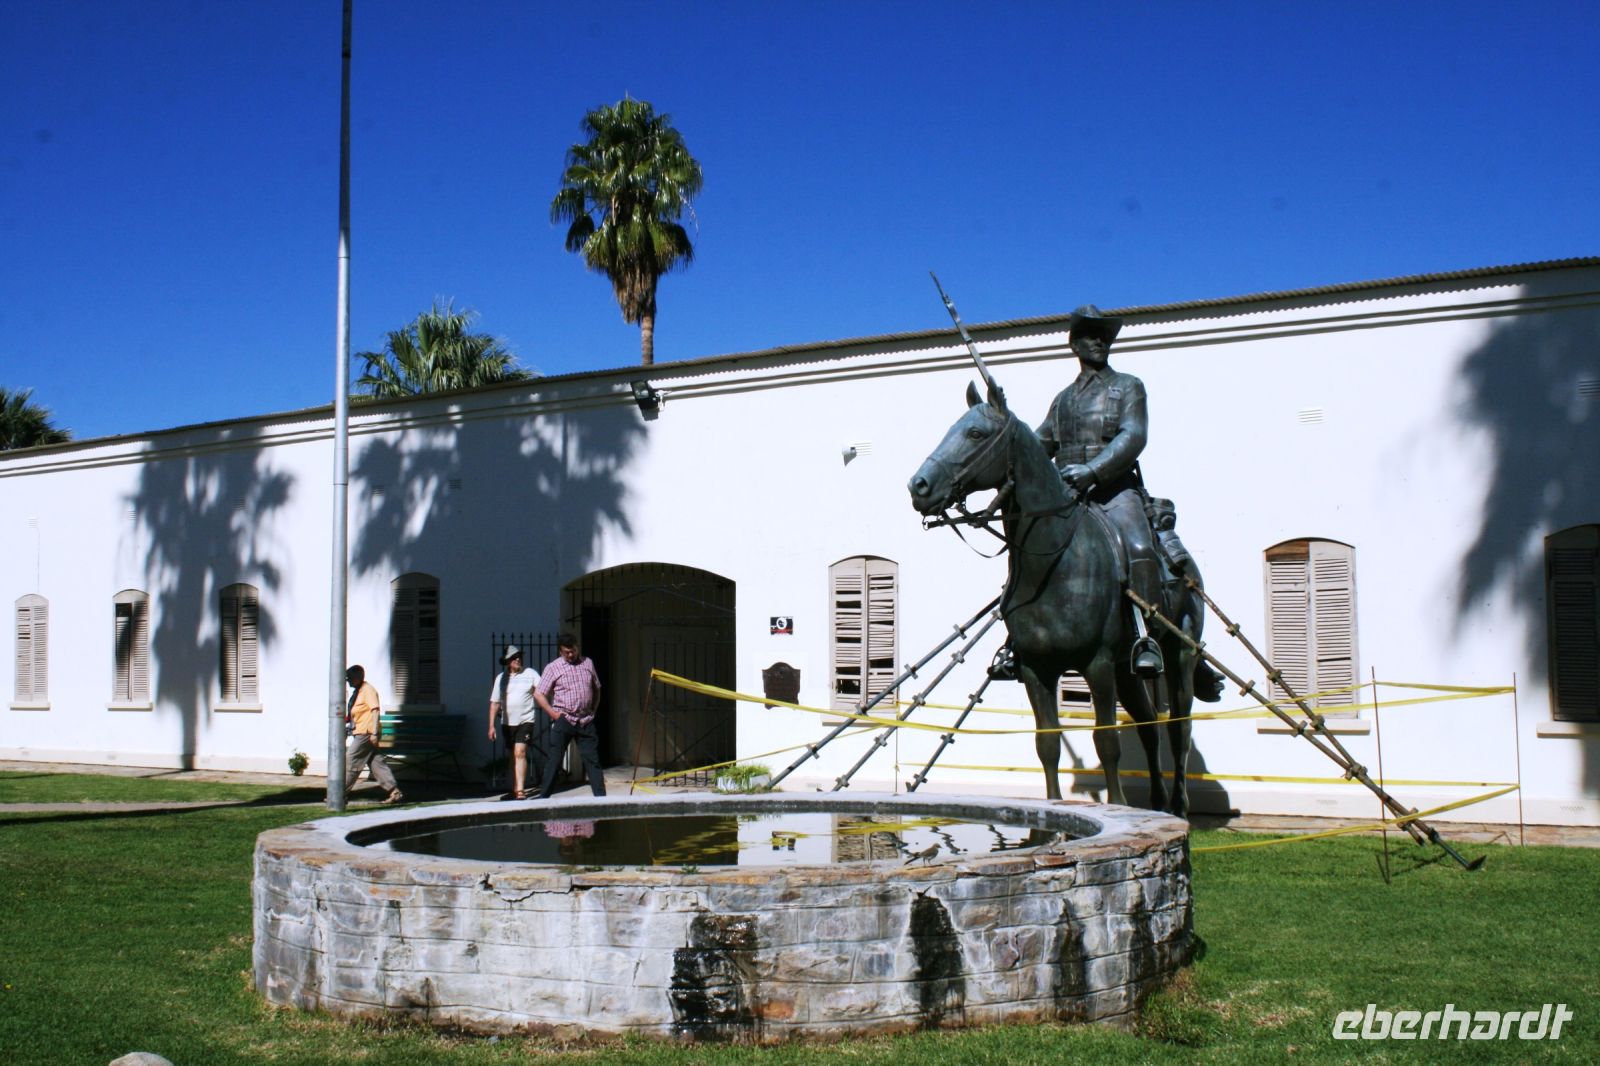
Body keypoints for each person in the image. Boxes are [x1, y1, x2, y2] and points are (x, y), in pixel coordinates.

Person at [1036, 304, 1165, 676]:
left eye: (1104, 335)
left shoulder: (1127, 386)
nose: (1099, 341)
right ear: (1074, 345)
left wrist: (1093, 471)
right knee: (1033, 547)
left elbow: (1134, 435)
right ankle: (1019, 638)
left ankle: (1147, 635)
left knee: (1140, 547)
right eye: (1090, 335)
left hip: (1113, 491)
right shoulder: (1062, 400)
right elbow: (1041, 442)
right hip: (1068, 498)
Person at [534, 634, 606, 798]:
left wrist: (593, 709)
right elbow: (539, 694)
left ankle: (601, 800)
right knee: (554, 760)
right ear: (560, 652)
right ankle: (542, 799)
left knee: (592, 761)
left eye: (573, 651)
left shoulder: (588, 663)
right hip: (564, 719)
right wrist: (553, 714)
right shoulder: (553, 668)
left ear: (577, 647)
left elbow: (597, 688)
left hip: (585, 720)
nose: (571, 655)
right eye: (567, 652)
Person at [488, 645, 547, 800]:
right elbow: (494, 703)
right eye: (514, 657)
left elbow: (542, 691)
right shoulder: (501, 679)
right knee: (512, 756)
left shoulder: (530, 673)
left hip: (525, 720)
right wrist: (491, 726)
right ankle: (513, 788)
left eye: (519, 656)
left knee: (520, 752)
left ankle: (520, 790)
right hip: (507, 723)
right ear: (508, 661)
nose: (518, 659)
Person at [344, 665, 403, 804]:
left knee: (351, 760)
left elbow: (375, 711)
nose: (348, 681)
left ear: (358, 677)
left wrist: (375, 733)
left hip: (367, 733)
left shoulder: (368, 690)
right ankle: (394, 792)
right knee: (376, 763)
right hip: (361, 731)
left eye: (350, 678)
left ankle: (339, 795)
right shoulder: (358, 692)